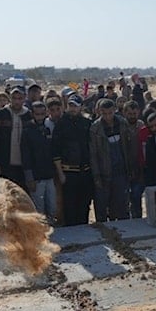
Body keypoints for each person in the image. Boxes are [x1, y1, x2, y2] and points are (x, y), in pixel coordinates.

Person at [90, 98, 135, 222]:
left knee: (121, 204)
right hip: (104, 172)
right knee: (102, 205)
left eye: (110, 113)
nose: (108, 116)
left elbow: (128, 147)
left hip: (120, 170)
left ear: (114, 110)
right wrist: (96, 176)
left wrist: (130, 168)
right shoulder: (95, 128)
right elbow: (93, 154)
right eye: (104, 113)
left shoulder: (122, 123)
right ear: (100, 112)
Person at [53, 94, 93, 226]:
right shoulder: (61, 124)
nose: (73, 109)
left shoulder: (87, 123)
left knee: (84, 204)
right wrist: (60, 174)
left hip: (85, 171)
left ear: (81, 107)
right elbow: (56, 151)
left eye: (75, 106)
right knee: (69, 206)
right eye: (70, 105)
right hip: (68, 172)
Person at [22, 100, 58, 223]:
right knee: (39, 210)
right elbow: (25, 156)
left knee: (52, 207)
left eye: (43, 114)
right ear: (32, 114)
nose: (40, 117)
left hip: (50, 174)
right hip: (36, 177)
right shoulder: (27, 130)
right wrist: (29, 178)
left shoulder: (49, 127)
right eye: (37, 114)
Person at [0, 85, 30, 189]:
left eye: (20, 98)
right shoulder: (0, 114)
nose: (17, 101)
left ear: (24, 98)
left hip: (24, 164)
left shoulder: (28, 115)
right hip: (5, 162)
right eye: (14, 98)